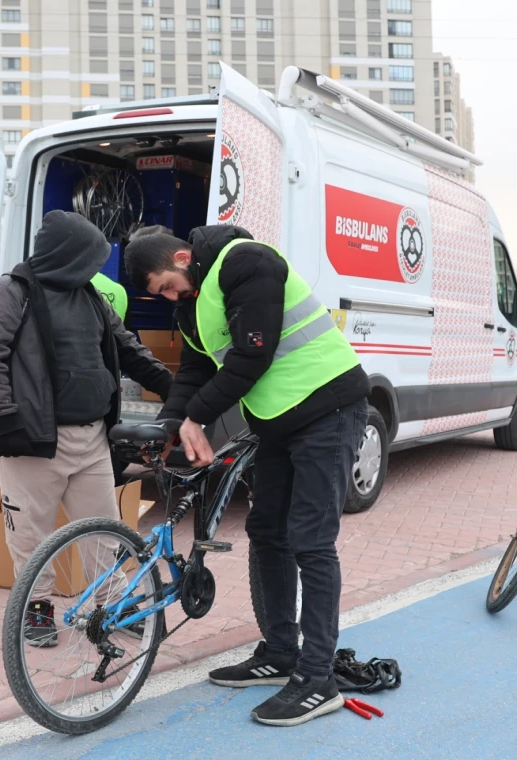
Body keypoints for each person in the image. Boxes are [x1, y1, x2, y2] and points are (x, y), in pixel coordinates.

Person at [124, 225, 369, 727]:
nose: (171, 295)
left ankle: (319, 677)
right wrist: (170, 425)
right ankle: (281, 653)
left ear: (183, 256)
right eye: (161, 294)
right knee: (266, 532)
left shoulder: (247, 262)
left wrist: (198, 418)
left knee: (312, 540)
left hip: (329, 406)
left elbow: (253, 353)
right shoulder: (191, 305)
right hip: (279, 421)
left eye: (168, 283)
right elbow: (194, 372)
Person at [0, 211, 173, 647]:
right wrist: (6, 422)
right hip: (32, 439)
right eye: (90, 259)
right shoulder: (8, 293)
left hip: (93, 438)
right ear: (67, 255)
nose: (95, 268)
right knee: (30, 535)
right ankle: (36, 610)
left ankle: (114, 603)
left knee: (104, 528)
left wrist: (176, 392)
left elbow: (128, 350)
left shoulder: (91, 297)